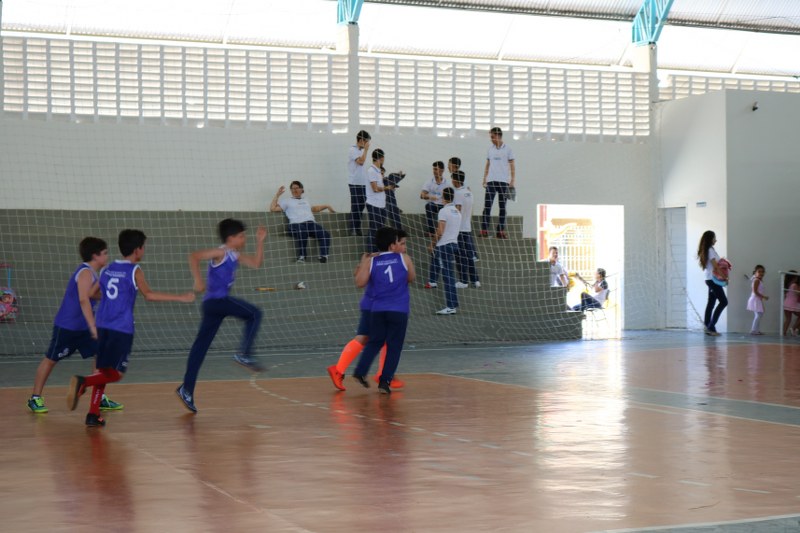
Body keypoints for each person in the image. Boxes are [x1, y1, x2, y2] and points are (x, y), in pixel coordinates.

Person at [66, 230, 195, 427]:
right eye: (144, 246)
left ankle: (93, 414)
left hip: (102, 324)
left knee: (103, 370)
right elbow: (149, 295)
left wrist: (112, 299)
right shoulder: (135, 270)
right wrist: (181, 297)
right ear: (137, 250)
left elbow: (92, 293)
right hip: (120, 328)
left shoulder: (107, 269)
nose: (144, 250)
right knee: (116, 373)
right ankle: (84, 382)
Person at [176, 219, 267, 413]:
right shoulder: (221, 252)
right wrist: (198, 281)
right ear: (230, 238)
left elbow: (256, 263)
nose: (244, 239)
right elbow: (194, 256)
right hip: (217, 302)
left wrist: (260, 242)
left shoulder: (235, 255)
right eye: (241, 236)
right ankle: (244, 354)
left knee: (200, 348)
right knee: (255, 313)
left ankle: (186, 389)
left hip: (213, 306)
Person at [26, 237, 123, 414]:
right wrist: (93, 326)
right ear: (95, 255)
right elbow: (83, 299)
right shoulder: (85, 273)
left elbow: (93, 295)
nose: (107, 256)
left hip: (84, 328)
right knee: (51, 360)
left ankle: (99, 397)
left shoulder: (95, 274)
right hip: (68, 327)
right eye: (104, 253)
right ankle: (34, 398)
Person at [326, 229, 409, 392]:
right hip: (373, 305)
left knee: (378, 339)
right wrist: (363, 263)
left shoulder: (390, 259)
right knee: (366, 337)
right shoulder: (376, 259)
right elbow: (358, 277)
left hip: (378, 305)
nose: (405, 247)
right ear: (392, 245)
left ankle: (383, 374)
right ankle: (340, 369)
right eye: (402, 243)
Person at [351, 226, 415, 394]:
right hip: (399, 309)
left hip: (377, 309)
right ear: (392, 245)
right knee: (394, 346)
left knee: (375, 341)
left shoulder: (372, 261)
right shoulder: (404, 258)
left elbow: (360, 282)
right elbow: (411, 278)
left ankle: (360, 371)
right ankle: (385, 381)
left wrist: (364, 263)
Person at [270, 181, 334, 263]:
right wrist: (277, 195)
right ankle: (302, 257)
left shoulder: (306, 200)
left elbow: (314, 209)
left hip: (310, 224)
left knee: (325, 234)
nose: (294, 190)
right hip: (295, 225)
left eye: (296, 188)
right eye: (292, 188)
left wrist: (326, 206)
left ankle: (324, 256)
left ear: (301, 189)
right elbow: (273, 209)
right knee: (302, 231)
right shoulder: (287, 201)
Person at [426, 187, 461, 315]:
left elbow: (440, 231)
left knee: (448, 277)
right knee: (449, 275)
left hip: (444, 246)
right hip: (454, 244)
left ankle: (450, 306)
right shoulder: (457, 211)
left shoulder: (443, 211)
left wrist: (432, 245)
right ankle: (453, 304)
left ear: (443, 197)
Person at [481, 126, 515, 239]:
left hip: (504, 182)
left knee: (503, 207)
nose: (491, 139)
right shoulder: (490, 149)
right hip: (491, 181)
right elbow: (487, 164)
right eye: (491, 137)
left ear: (498, 135)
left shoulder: (508, 149)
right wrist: (484, 178)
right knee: (487, 206)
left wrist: (512, 180)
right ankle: (484, 230)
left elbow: (512, 165)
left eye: (492, 137)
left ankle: (500, 231)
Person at [451, 170, 480, 290]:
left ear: (456, 180)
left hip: (459, 228)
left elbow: (457, 211)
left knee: (460, 255)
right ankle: (475, 280)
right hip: (467, 227)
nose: (451, 181)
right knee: (469, 255)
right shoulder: (469, 192)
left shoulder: (458, 193)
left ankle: (463, 281)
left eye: (452, 179)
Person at [697, 230, 727, 336]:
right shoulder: (710, 250)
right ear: (710, 239)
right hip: (713, 280)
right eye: (714, 238)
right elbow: (716, 266)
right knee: (724, 302)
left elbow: (715, 264)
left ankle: (709, 327)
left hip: (710, 279)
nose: (716, 240)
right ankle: (710, 327)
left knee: (711, 303)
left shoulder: (709, 250)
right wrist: (724, 277)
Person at [365, 148, 394, 252]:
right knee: (374, 229)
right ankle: (370, 252)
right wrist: (387, 188)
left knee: (380, 230)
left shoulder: (378, 171)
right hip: (374, 204)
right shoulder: (372, 170)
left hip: (381, 204)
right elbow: (375, 188)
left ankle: (378, 251)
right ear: (381, 158)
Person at [347, 130, 371, 236]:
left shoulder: (362, 151)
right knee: (355, 206)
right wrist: (366, 150)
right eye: (366, 141)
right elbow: (360, 162)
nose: (367, 144)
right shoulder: (352, 149)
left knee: (361, 206)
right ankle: (353, 229)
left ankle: (357, 228)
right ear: (361, 140)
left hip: (363, 183)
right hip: (355, 183)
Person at [420, 161, 451, 237]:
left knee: (449, 208)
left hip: (443, 205)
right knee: (428, 206)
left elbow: (451, 197)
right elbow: (422, 195)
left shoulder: (447, 183)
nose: (434, 171)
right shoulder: (429, 182)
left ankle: (445, 231)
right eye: (433, 169)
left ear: (442, 170)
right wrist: (430, 197)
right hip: (433, 205)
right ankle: (431, 231)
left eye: (436, 169)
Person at [747, 264, 768, 335]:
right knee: (759, 315)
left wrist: (761, 299)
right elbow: (755, 291)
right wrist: (764, 297)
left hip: (757, 299)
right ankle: (753, 330)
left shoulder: (758, 280)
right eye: (759, 271)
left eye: (762, 272)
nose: (761, 273)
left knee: (759, 314)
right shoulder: (756, 280)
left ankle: (756, 330)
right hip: (755, 299)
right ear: (755, 272)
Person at [782, 270, 800, 337]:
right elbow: (798, 293)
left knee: (788, 319)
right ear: (794, 278)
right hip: (792, 304)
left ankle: (784, 333)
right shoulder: (794, 285)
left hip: (787, 303)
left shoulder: (788, 285)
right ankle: (794, 328)